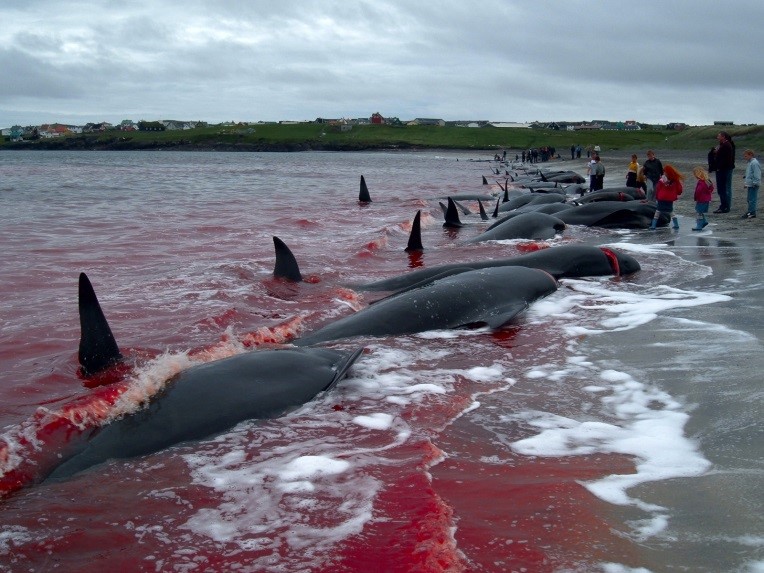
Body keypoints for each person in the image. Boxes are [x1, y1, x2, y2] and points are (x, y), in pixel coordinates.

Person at [650, 164, 683, 230]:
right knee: (670, 211)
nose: (664, 172)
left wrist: (657, 197)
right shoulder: (675, 180)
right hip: (670, 199)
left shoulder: (662, 179)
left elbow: (658, 188)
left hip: (662, 198)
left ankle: (653, 226)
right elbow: (679, 189)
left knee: (658, 211)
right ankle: (676, 225)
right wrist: (677, 193)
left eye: (664, 171)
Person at [713, 131, 735, 213]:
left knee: (723, 189)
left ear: (723, 137)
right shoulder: (725, 145)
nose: (717, 137)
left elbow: (725, 159)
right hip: (724, 169)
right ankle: (725, 206)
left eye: (719, 136)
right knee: (723, 189)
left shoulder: (726, 145)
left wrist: (719, 167)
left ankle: (725, 207)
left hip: (723, 170)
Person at [691, 166, 714, 231]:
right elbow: (712, 188)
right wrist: (708, 193)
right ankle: (704, 222)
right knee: (700, 212)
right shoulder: (707, 181)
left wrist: (696, 197)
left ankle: (699, 225)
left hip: (701, 199)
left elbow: (698, 191)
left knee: (699, 213)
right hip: (706, 199)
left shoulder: (701, 182)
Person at [742, 149, 761, 219]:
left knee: (752, 199)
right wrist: (746, 183)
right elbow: (749, 174)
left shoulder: (754, 163)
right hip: (750, 184)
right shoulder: (750, 163)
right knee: (749, 198)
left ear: (751, 155)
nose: (745, 157)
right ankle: (750, 211)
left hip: (754, 184)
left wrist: (755, 183)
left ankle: (752, 212)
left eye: (746, 156)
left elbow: (757, 174)